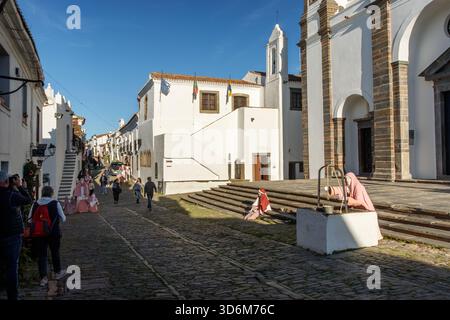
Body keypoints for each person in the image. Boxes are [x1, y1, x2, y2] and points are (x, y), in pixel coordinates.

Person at [0, 171, 32, 300]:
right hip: (12, 236)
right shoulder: (12, 195)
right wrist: (20, 186)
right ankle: (12, 297)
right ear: (6, 182)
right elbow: (28, 200)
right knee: (12, 267)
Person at [28, 186, 66, 287]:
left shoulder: (35, 204)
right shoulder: (55, 203)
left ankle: (43, 278)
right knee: (55, 252)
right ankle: (57, 273)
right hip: (53, 233)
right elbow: (63, 218)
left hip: (39, 234)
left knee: (42, 255)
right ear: (51, 193)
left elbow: (29, 219)